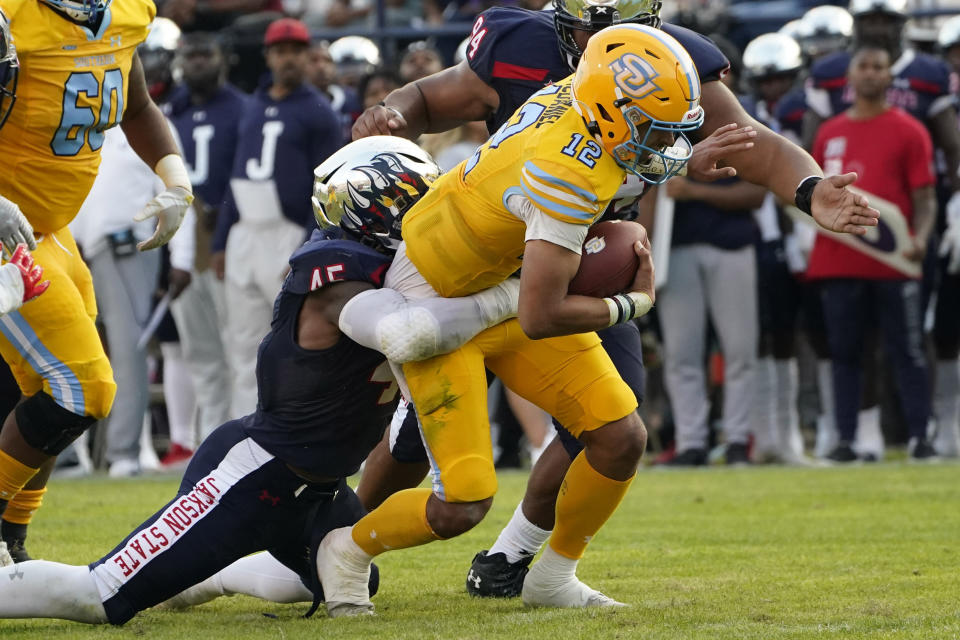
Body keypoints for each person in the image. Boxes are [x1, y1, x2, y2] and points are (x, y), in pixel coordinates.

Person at [351, 0, 879, 599]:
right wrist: (390, 112)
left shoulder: (671, 64)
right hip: (473, 268)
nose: (605, 40)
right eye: (588, 27)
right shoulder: (521, 51)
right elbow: (429, 98)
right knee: (418, 444)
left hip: (580, 265)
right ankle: (331, 538)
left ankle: (517, 559)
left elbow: (746, 143)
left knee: (611, 427)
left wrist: (808, 189)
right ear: (562, 24)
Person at [0, 136, 525, 623]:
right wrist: (512, 298)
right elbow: (406, 332)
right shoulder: (337, 271)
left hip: (317, 490)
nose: (435, 212)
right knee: (98, 598)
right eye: (420, 199)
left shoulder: (394, 273)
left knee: (339, 572)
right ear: (381, 208)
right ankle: (169, 570)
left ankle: (208, 575)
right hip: (252, 475)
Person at [315, 24, 694, 617]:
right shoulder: (565, 177)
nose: (661, 143)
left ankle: (553, 575)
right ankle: (345, 548)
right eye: (651, 126)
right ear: (612, 112)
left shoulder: (575, 94)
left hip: (498, 281)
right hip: (435, 302)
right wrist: (633, 303)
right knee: (461, 503)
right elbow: (543, 315)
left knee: (620, 437)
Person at [0, 0, 193, 563]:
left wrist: (174, 175)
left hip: (50, 231)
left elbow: (136, 105)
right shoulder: (13, 16)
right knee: (82, 387)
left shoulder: (127, 12)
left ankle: (11, 541)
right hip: (7, 232)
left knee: (50, 390)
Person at [803, 0, 960, 459]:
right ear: (849, 77)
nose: (871, 73)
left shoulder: (911, 130)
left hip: (895, 256)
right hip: (838, 254)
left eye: (878, 67)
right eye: (864, 67)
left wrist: (920, 237)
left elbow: (926, 196)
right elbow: (808, 188)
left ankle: (920, 435)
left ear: (891, 75)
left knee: (907, 350)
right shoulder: (828, 130)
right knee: (846, 350)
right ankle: (848, 438)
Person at [212, 17, 342, 418]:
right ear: (268, 56)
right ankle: (242, 428)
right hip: (245, 229)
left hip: (287, 231)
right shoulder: (252, 105)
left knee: (291, 338)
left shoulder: (319, 112)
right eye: (281, 51)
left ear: (309, 56)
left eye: (297, 51)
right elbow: (236, 172)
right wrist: (220, 240)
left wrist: (308, 244)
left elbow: (327, 187)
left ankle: (296, 426)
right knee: (242, 340)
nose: (289, 59)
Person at [165, 32, 247, 459]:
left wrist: (225, 226)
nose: (198, 62)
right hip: (182, 235)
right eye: (190, 54)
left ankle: (239, 443)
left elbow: (246, 177)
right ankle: (211, 447)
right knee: (199, 352)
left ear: (223, 59)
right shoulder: (171, 110)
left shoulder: (242, 109)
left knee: (237, 346)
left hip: (227, 236)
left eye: (205, 53)